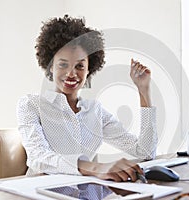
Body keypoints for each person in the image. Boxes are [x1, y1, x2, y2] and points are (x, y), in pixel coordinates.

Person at [17, 14, 157, 182]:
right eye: (63, 65)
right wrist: (96, 168)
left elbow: (146, 152)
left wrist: (144, 90)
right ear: (50, 67)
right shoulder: (31, 105)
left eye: (80, 66)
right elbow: (38, 157)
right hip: (42, 193)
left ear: (89, 70)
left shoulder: (95, 111)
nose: (71, 73)